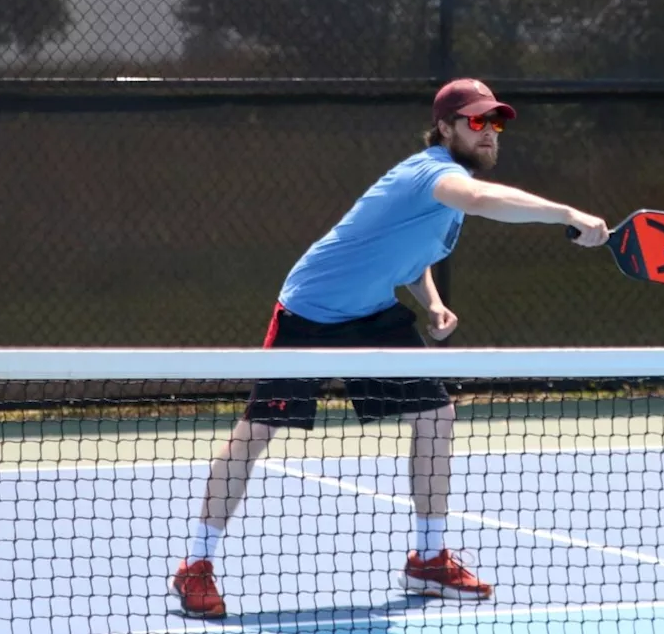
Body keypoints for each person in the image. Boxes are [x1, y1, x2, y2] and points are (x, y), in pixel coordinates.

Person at [170, 78, 610, 618]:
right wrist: (567, 214)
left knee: (436, 415)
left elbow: (406, 245)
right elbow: (480, 200)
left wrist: (430, 299)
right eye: (477, 122)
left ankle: (428, 559)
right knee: (256, 433)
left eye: (495, 123)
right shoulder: (436, 174)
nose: (490, 132)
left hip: (373, 310)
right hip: (311, 311)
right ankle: (196, 565)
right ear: (445, 127)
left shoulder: (443, 185)